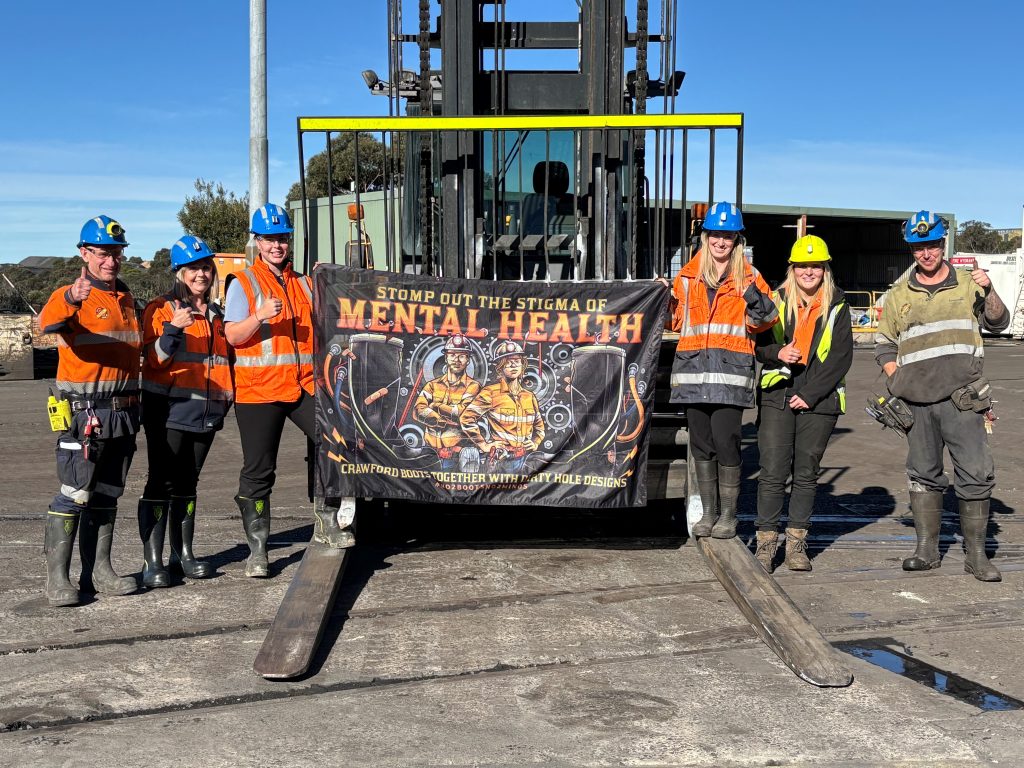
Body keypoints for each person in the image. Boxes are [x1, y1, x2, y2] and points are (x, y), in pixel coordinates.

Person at [876, 210, 1009, 582]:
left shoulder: (969, 283)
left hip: (961, 400)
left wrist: (991, 288)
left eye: (932, 245)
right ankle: (926, 551)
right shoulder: (898, 295)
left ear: (942, 244)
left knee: (976, 474)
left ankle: (977, 557)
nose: (926, 253)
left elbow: (999, 321)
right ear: (912, 250)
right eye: (919, 247)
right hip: (916, 403)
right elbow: (884, 344)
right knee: (923, 474)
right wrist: (897, 381)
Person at [223, 204, 349, 577]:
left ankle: (326, 522)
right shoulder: (243, 284)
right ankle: (258, 550)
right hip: (259, 392)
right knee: (259, 470)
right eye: (269, 239)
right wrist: (258, 316)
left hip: (303, 386)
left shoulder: (304, 284)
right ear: (257, 242)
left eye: (282, 238)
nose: (277, 246)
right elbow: (232, 336)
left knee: (332, 445)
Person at [38, 215, 141, 606]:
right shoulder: (73, 294)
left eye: (116, 253)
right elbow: (47, 322)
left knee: (108, 494)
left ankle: (98, 571)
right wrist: (69, 298)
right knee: (74, 493)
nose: (110, 261)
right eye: (102, 253)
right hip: (85, 415)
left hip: (123, 413)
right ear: (84, 253)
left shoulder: (128, 300)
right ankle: (58, 581)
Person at [666, 201, 778, 539]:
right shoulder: (686, 277)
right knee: (701, 445)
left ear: (736, 240)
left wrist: (751, 294)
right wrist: (663, 298)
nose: (720, 242)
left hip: (729, 377)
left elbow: (767, 319)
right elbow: (674, 321)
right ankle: (710, 513)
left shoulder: (749, 276)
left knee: (727, 444)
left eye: (727, 237)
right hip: (693, 375)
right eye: (715, 235)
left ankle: (729, 516)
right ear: (706, 237)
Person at [138, 236, 234, 588]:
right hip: (168, 410)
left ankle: (184, 555)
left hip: (206, 412)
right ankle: (152, 562)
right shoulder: (160, 309)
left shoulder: (217, 315)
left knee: (188, 484)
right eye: (193, 268)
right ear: (179, 272)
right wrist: (174, 328)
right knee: (160, 482)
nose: (201, 273)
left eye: (206, 266)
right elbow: (156, 360)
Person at [753, 235, 853, 572]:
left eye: (815, 266)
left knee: (806, 475)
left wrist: (809, 394)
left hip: (818, 400)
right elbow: (758, 347)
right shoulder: (775, 301)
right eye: (802, 266)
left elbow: (841, 357)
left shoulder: (838, 304)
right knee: (772, 473)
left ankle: (796, 546)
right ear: (792, 269)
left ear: (824, 269)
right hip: (777, 395)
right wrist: (778, 352)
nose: (808, 272)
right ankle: (766, 545)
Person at [460, 340, 545, 473]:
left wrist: (535, 442)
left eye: (517, 361)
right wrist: (484, 445)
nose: (513, 365)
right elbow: (466, 418)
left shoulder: (529, 396)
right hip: (501, 462)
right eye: (507, 362)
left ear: (523, 364)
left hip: (526, 461)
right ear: (500, 367)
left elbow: (539, 426)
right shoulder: (490, 393)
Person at [414, 334, 481, 470]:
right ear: (446, 358)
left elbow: (460, 414)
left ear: (468, 359)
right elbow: (418, 411)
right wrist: (441, 420)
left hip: (456, 456)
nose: (457, 360)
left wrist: (435, 406)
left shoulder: (473, 387)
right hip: (429, 453)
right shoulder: (432, 385)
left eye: (462, 355)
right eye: (452, 355)